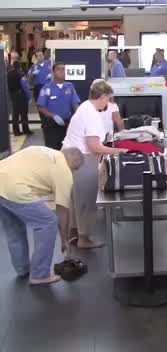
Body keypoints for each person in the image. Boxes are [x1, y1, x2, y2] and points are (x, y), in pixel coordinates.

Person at [0, 146, 84, 285]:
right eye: (76, 170)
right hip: (16, 188)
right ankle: (39, 274)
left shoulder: (45, 151)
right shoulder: (64, 172)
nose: (75, 173)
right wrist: (65, 240)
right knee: (47, 222)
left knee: (14, 228)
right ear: (74, 164)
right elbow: (62, 211)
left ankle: (23, 269)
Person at [62, 80, 127, 249]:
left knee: (76, 199)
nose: (109, 104)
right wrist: (118, 151)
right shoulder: (92, 115)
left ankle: (74, 232)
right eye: (108, 99)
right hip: (82, 159)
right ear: (102, 96)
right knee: (86, 199)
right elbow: (94, 146)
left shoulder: (84, 107)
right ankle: (84, 239)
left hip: (70, 156)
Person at [37, 62, 81, 150]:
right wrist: (53, 116)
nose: (62, 71)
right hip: (51, 124)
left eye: (63, 69)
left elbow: (75, 104)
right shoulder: (47, 88)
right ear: (53, 72)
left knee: (66, 150)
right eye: (58, 69)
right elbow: (40, 107)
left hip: (66, 124)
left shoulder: (69, 87)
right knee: (52, 150)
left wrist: (78, 117)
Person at [7, 61, 33, 136]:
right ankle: (25, 129)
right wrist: (29, 96)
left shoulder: (8, 74)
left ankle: (16, 131)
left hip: (13, 95)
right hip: (21, 96)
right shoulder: (21, 74)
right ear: (20, 66)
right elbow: (25, 86)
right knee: (24, 113)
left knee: (15, 114)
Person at [27, 50, 51, 121]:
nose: (40, 57)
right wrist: (32, 74)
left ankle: (48, 120)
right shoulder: (34, 67)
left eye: (41, 55)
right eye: (38, 55)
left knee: (49, 105)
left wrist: (51, 75)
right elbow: (28, 79)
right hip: (38, 88)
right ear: (36, 57)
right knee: (40, 106)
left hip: (48, 87)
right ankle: (43, 120)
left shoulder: (49, 64)